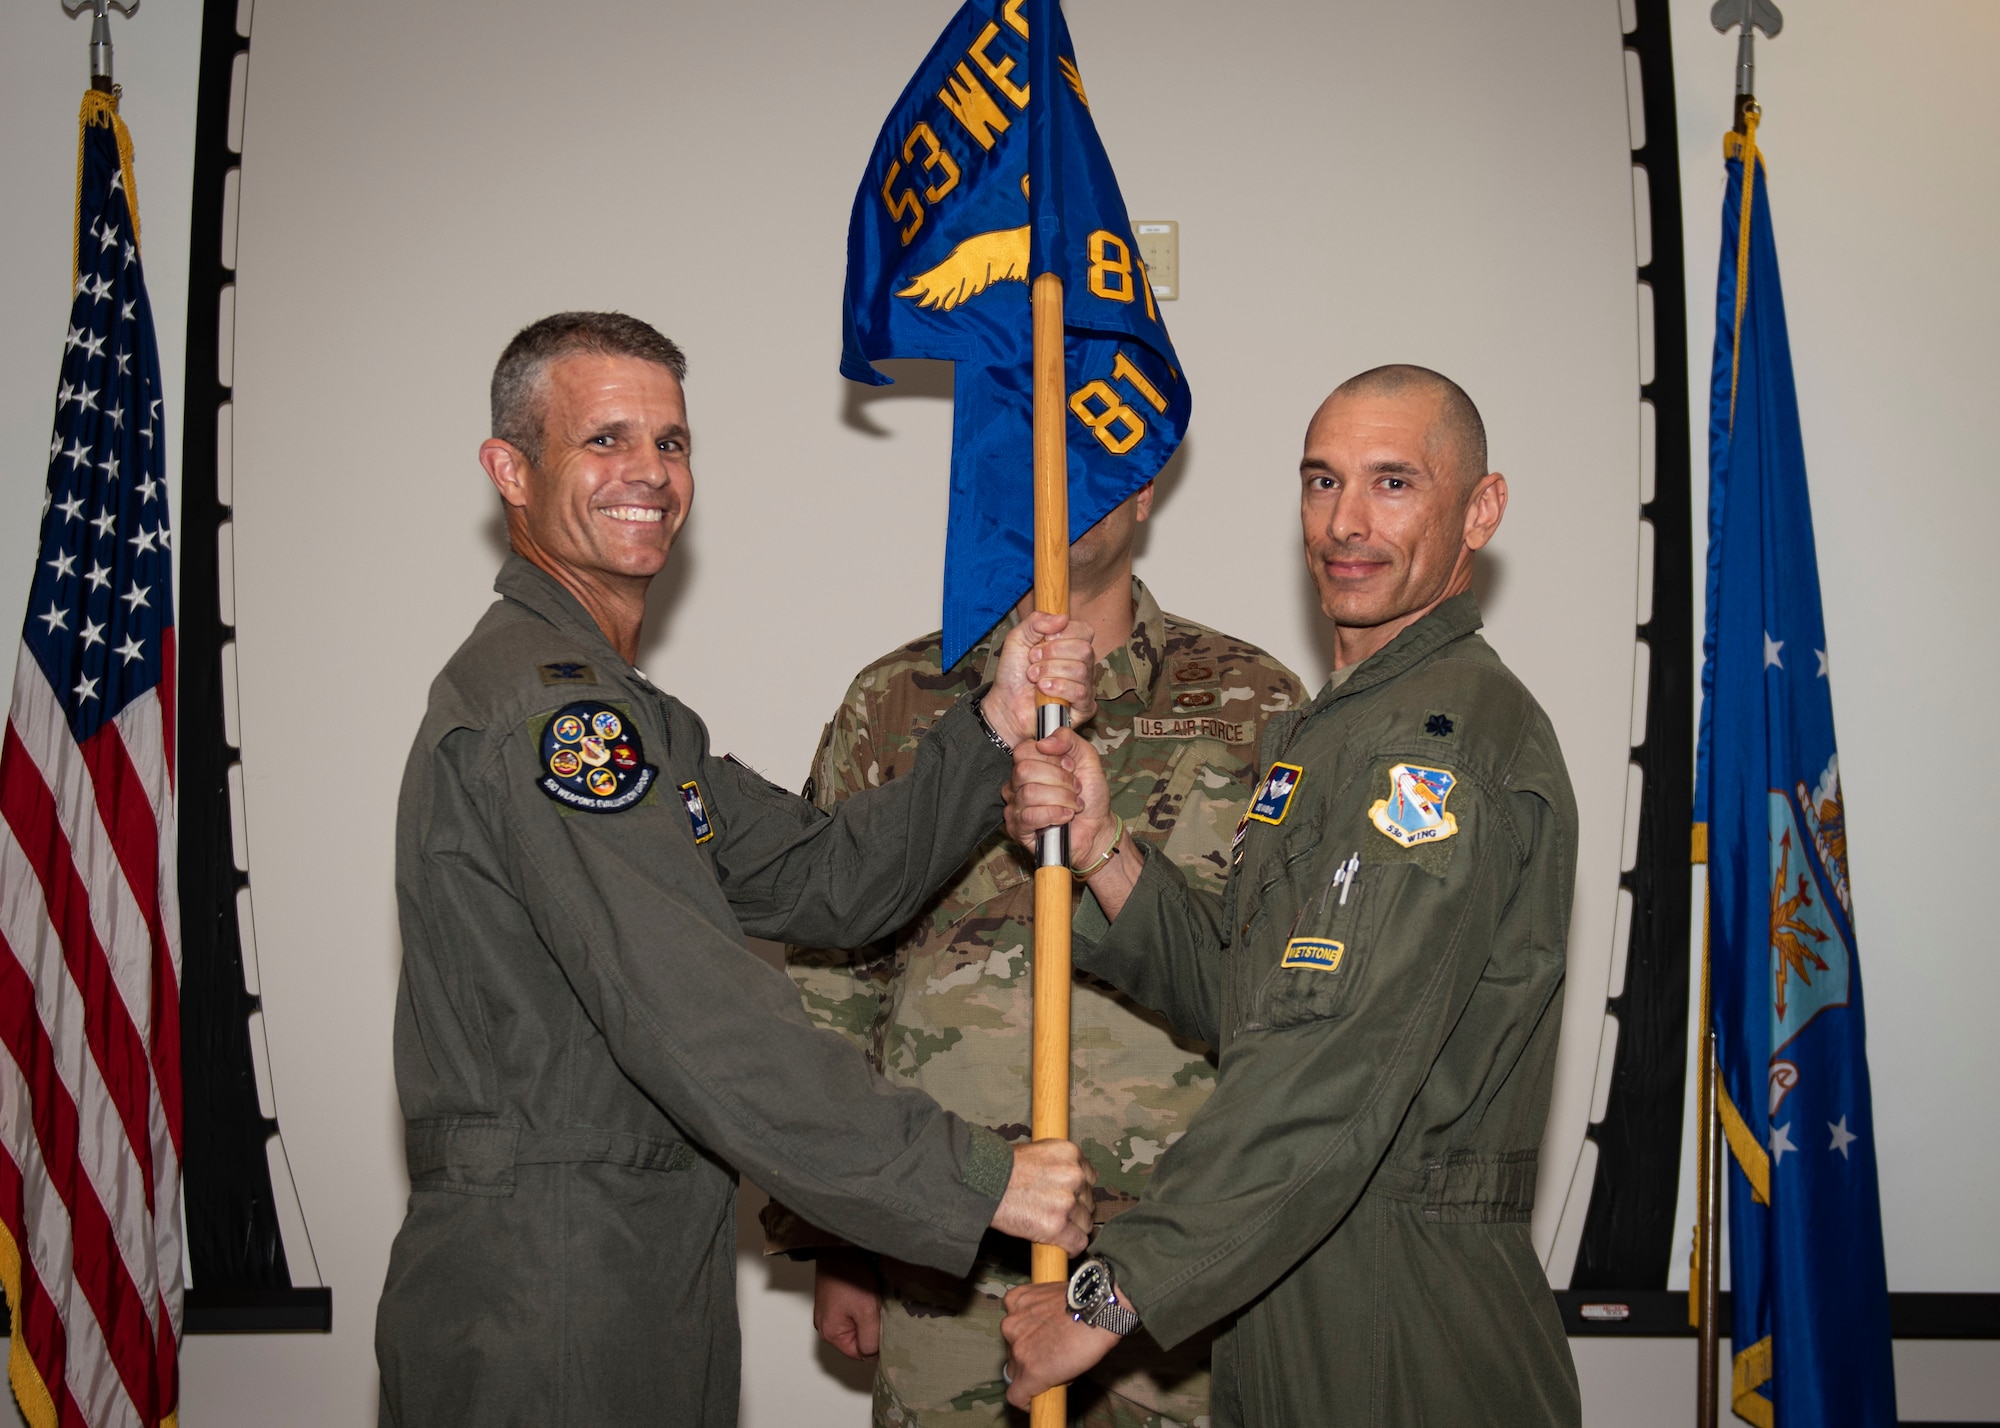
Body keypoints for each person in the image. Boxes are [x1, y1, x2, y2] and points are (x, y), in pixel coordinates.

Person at [376, 311, 1102, 1428]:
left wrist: (994, 725)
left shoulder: (626, 712)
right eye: (604, 441)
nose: (649, 475)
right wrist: (969, 1176)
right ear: (509, 471)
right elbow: (695, 1013)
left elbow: (828, 878)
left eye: (669, 443)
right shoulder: (553, 712)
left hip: (631, 1252)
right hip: (556, 1283)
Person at [1000, 365, 1584, 1426]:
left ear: (1478, 510)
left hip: (1396, 1313)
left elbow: (1335, 1061)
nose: (1344, 523)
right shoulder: (1333, 728)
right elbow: (1257, 1004)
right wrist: (1102, 852)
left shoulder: (1432, 743)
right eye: (1320, 482)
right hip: (1296, 1271)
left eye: (1392, 483)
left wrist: (1110, 1287)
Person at [762, 483, 1305, 1427]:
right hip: (946, 1248)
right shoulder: (900, 697)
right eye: (1038, 457)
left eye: (1097, 457)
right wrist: (839, 1232)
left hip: (1171, 1264)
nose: (1062, 486)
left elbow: (1281, 988)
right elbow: (831, 971)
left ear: (1144, 489)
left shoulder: (1254, 700)